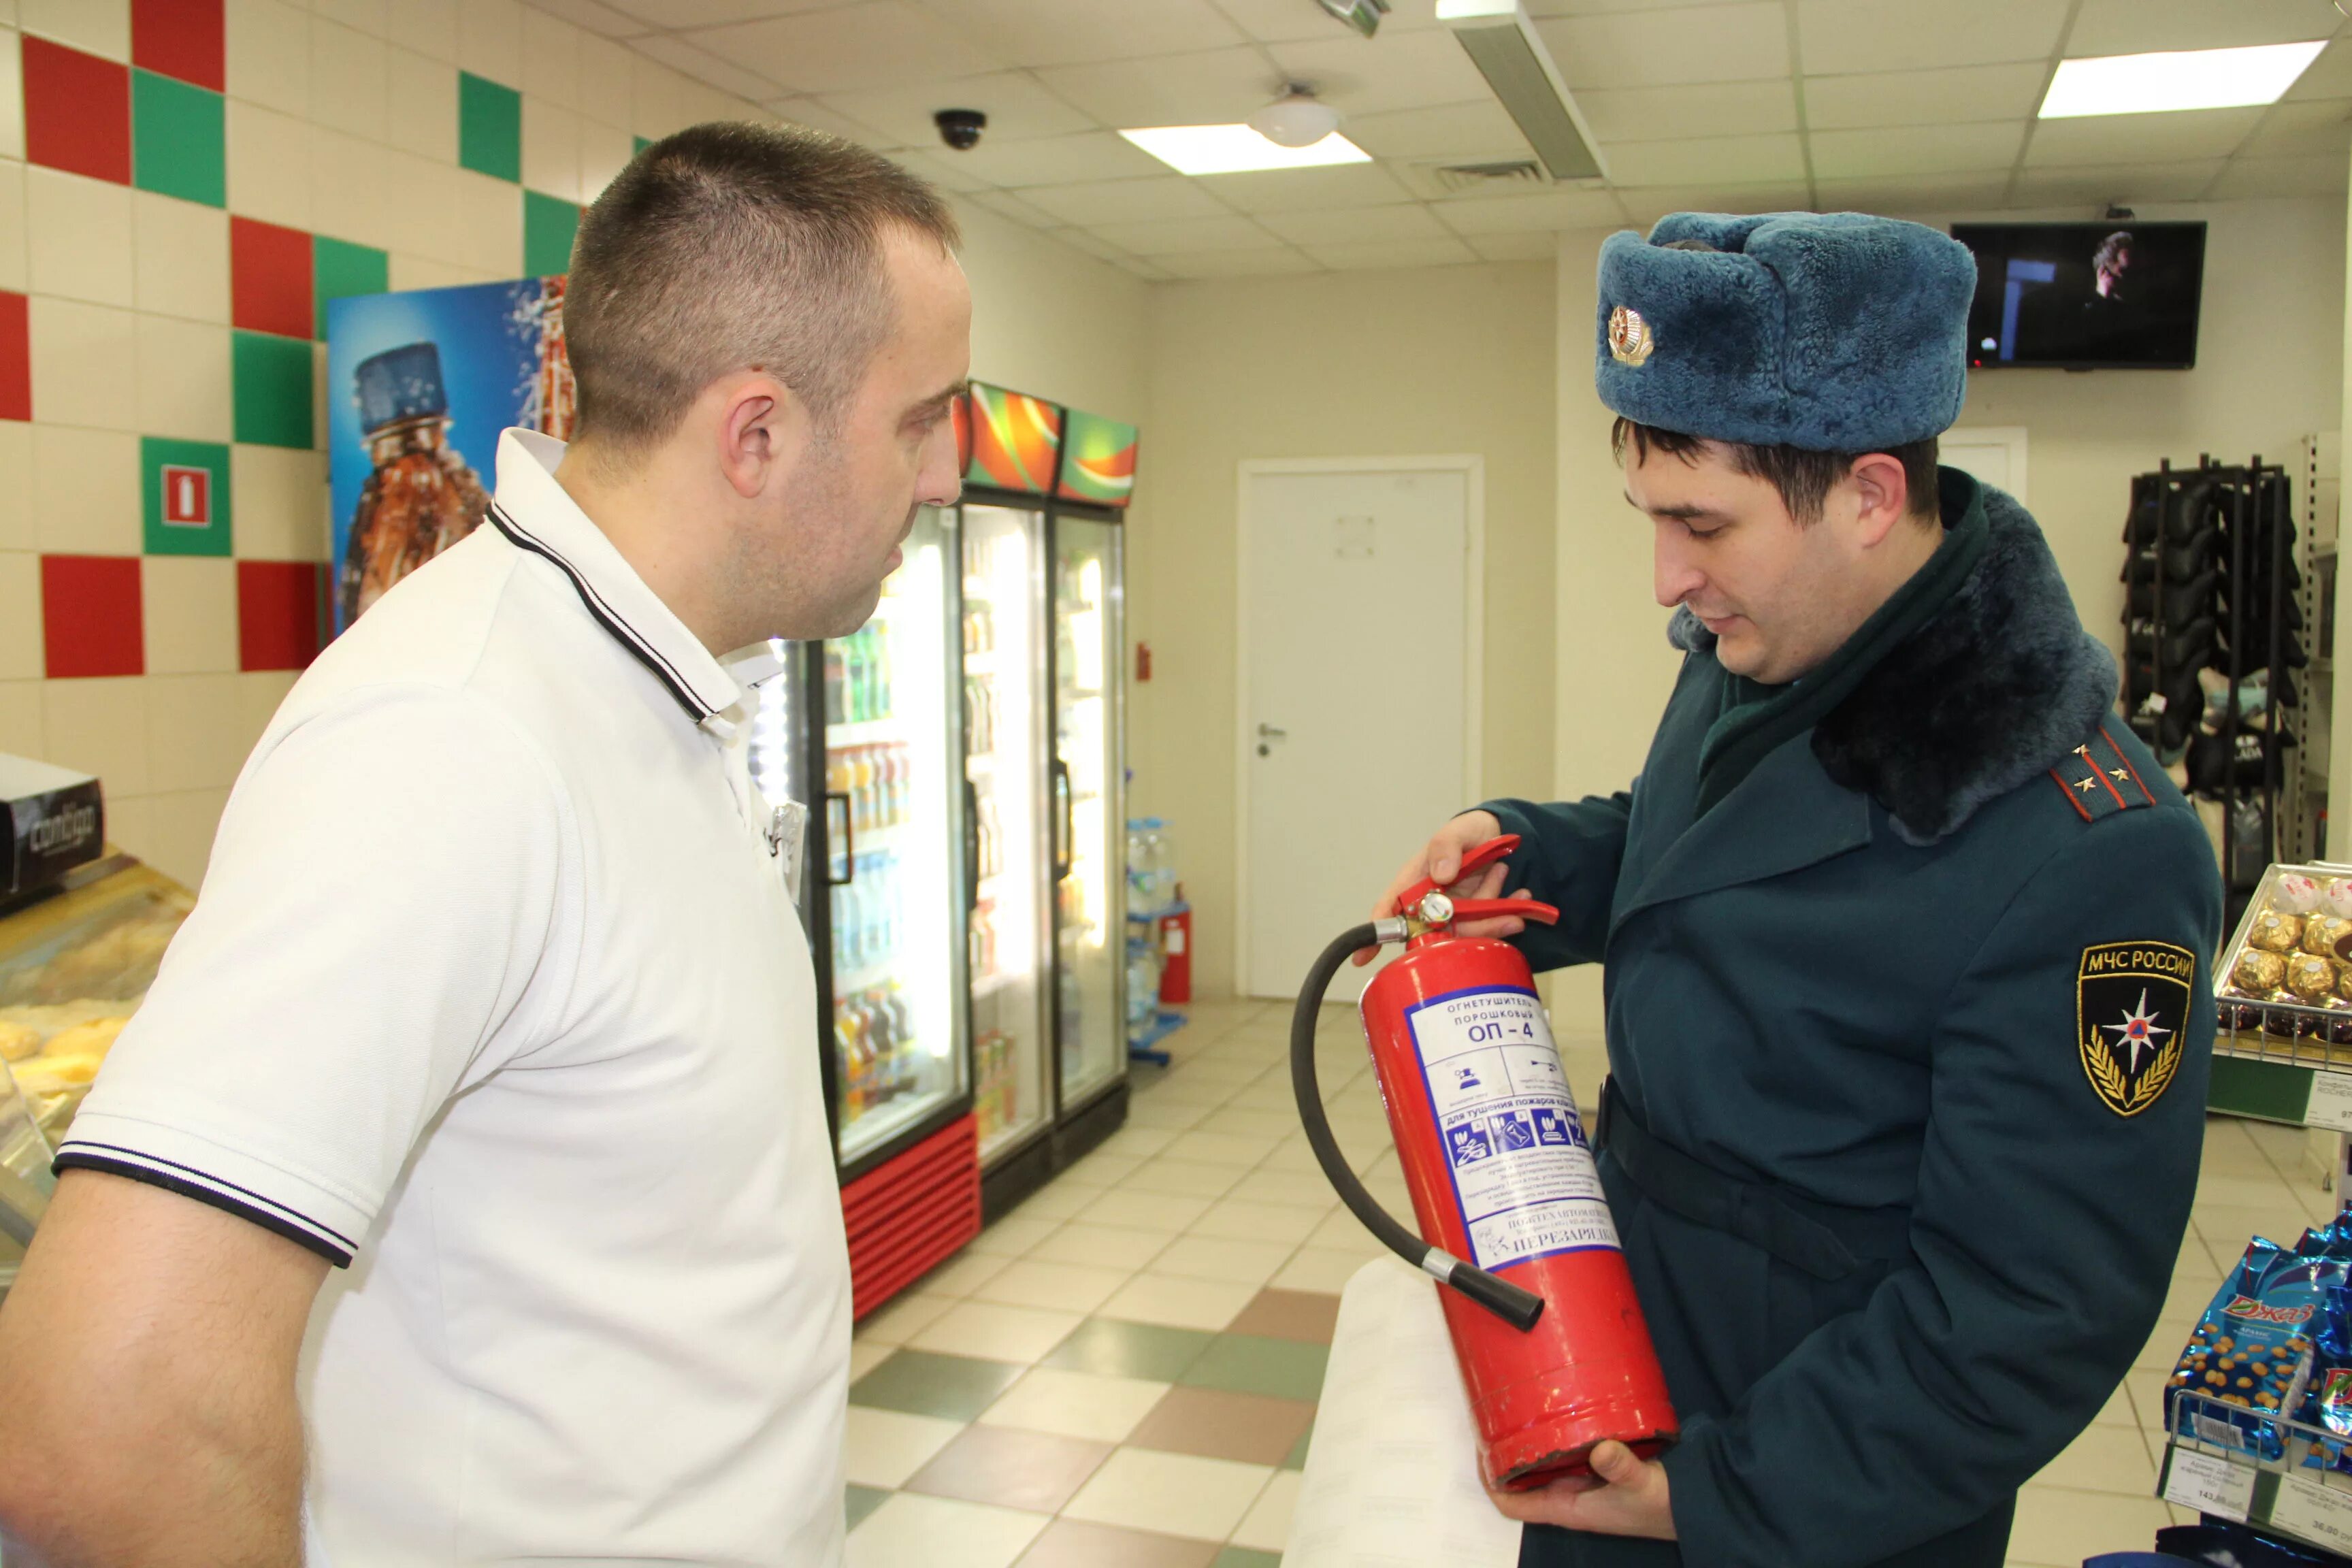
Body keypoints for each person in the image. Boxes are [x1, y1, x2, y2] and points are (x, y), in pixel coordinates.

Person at [0, 122, 970, 1567]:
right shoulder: (450, 741)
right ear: (756, 433)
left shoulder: (644, 685)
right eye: (923, 418)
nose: (948, 476)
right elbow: (107, 1416)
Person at [1373, 212, 2219, 1568]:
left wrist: (1720, 1494)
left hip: (1815, 1480)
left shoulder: (2100, 855)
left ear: (1871, 496)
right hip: (1615, 1357)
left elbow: (2027, 1315)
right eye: (1651, 519)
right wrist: (1528, 854)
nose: (1667, 578)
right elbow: (1693, 851)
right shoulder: (1772, 627)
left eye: (1701, 523)